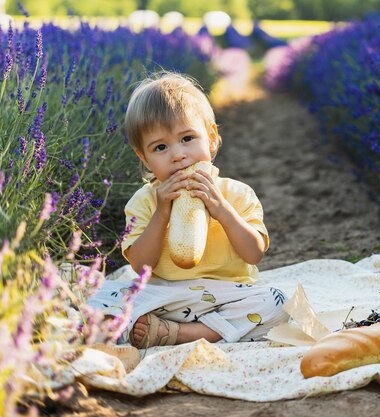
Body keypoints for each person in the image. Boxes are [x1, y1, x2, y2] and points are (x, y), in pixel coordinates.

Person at [117, 71, 288, 349]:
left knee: (278, 303)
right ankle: (180, 329)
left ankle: (183, 334)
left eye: (187, 138)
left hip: (228, 296)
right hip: (168, 298)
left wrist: (222, 209)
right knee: (104, 304)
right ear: (144, 158)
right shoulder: (144, 201)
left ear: (211, 138)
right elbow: (141, 267)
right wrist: (162, 213)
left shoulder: (237, 194)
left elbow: (254, 254)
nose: (177, 154)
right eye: (160, 147)